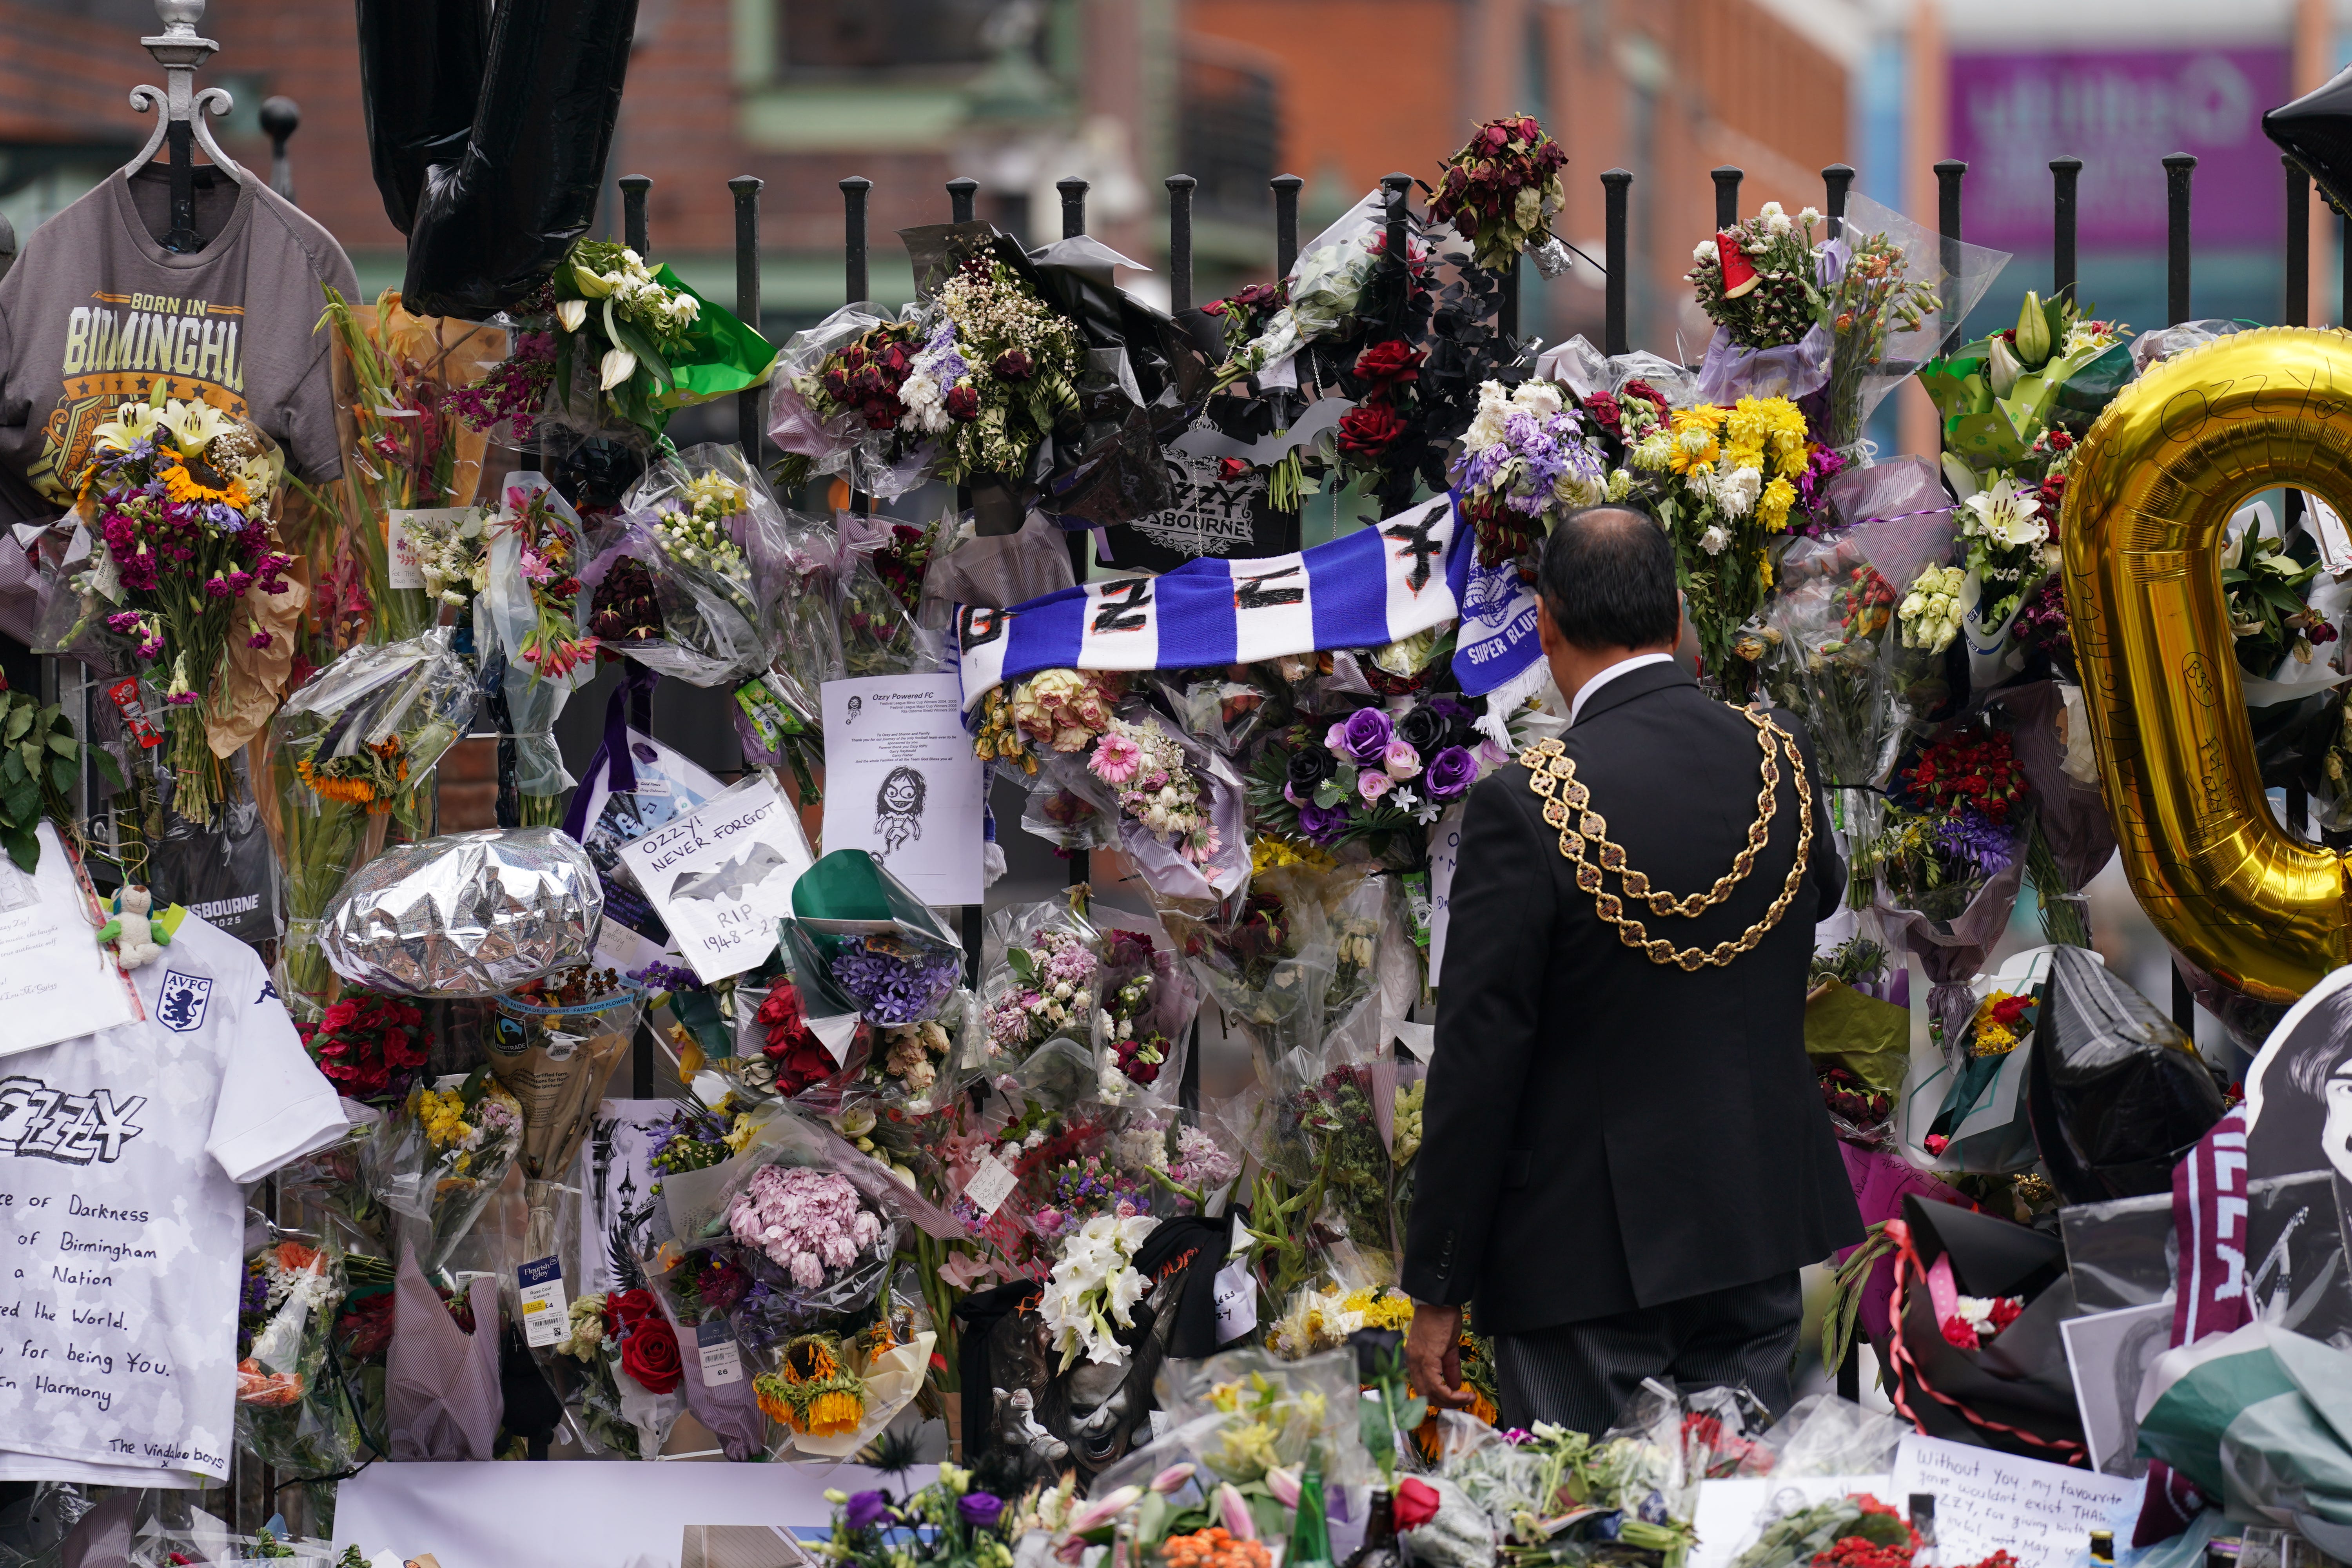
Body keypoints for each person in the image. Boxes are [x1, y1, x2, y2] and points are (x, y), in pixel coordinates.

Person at [1401, 505, 1861, 1434]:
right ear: (1680, 612)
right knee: (1735, 1525)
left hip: (1582, 1262)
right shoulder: (1781, 758)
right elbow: (1815, 900)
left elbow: (1477, 1061)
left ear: (1545, 624)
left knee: (1593, 1526)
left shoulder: (1523, 804)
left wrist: (1438, 1283)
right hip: (1752, 1226)